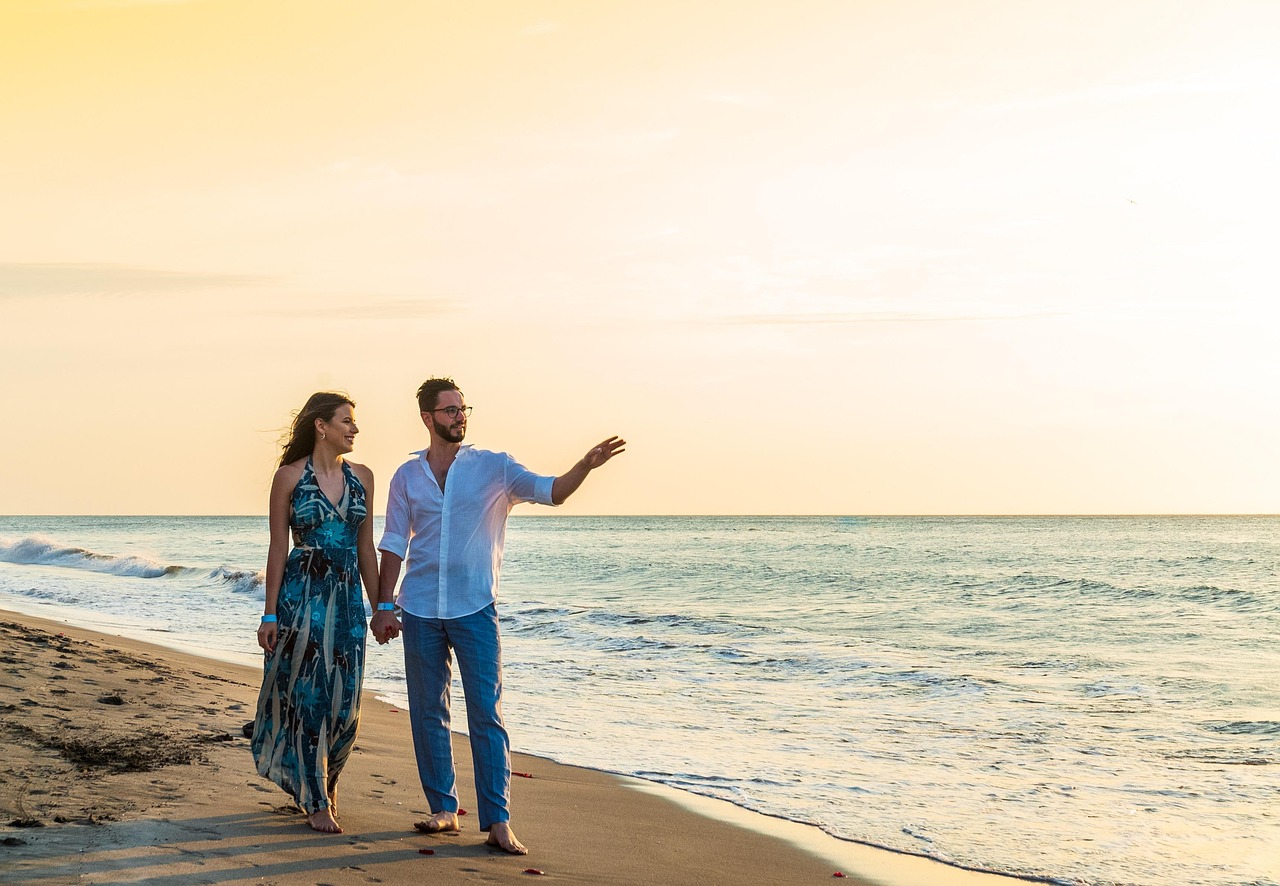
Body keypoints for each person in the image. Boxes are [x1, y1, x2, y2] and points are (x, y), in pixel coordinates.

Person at [370, 377, 624, 855]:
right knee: (428, 713)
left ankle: (498, 820)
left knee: (486, 713)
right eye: (449, 411)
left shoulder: (494, 467)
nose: (459, 417)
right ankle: (444, 810)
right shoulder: (406, 477)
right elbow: (393, 544)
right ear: (427, 418)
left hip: (475, 607)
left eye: (463, 409)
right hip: (420, 607)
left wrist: (585, 467)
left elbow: (553, 491)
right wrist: (384, 606)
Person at [251, 391, 381, 834]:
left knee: (346, 706)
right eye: (346, 421)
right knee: (309, 699)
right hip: (301, 600)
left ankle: (327, 780)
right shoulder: (289, 477)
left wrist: (381, 605)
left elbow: (366, 549)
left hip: (346, 604)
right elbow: (276, 548)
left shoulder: (363, 478)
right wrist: (269, 615)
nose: (354, 429)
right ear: (321, 426)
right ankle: (316, 797)